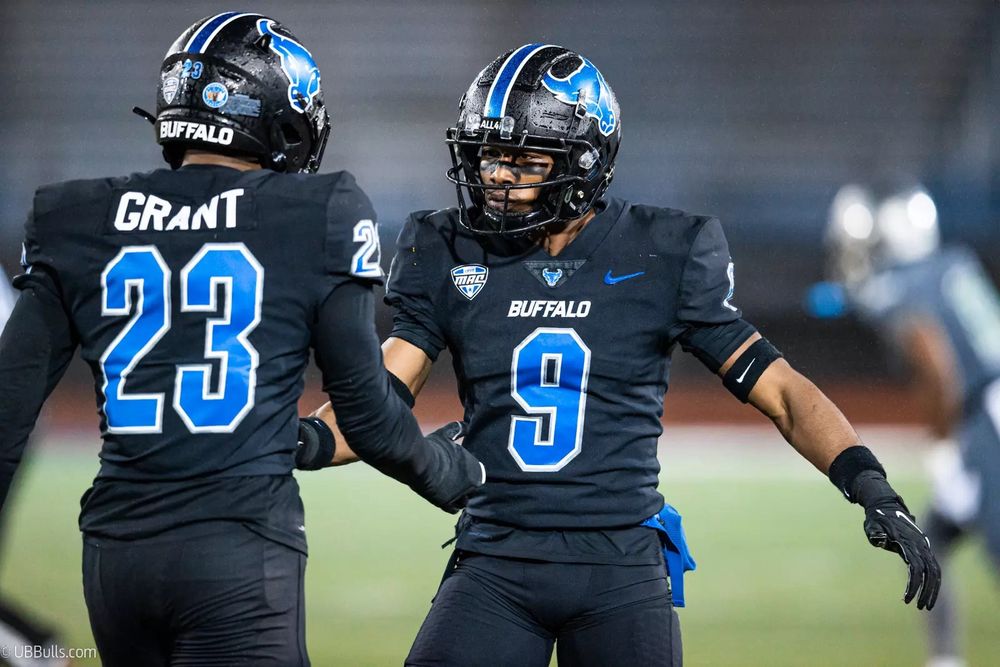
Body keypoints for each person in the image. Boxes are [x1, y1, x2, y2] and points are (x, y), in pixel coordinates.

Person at [307, 44, 940, 666]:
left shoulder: (662, 251)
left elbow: (782, 392)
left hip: (620, 572)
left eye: (523, 159)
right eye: (489, 155)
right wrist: (294, 439)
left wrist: (872, 488)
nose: (497, 176)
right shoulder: (450, 247)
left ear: (585, 163)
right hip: (495, 559)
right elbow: (379, 398)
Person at [0, 13, 483, 666]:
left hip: (115, 554)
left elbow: (6, 415)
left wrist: (304, 439)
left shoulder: (75, 215)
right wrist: (455, 471)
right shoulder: (318, 211)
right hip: (236, 549)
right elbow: (368, 414)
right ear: (278, 117)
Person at [826, 184, 1000, 667]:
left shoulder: (906, 283)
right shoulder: (953, 262)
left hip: (988, 421)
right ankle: (944, 660)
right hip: (988, 407)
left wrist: (946, 453)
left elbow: (937, 364)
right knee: (934, 542)